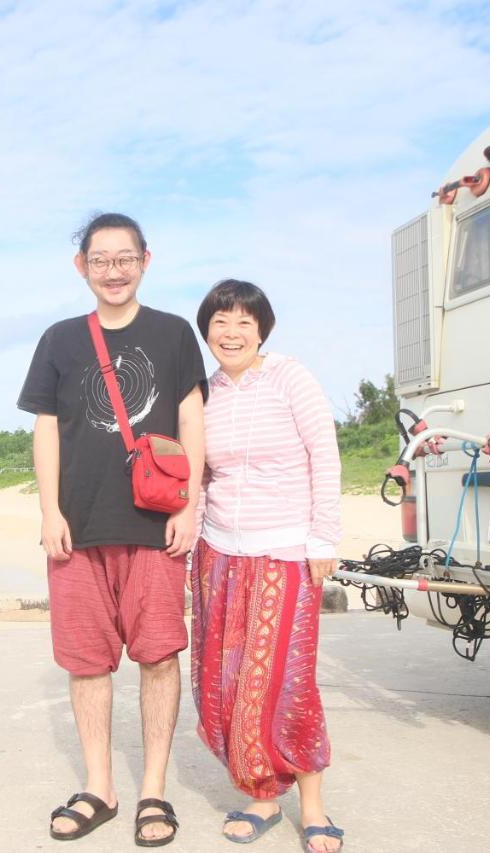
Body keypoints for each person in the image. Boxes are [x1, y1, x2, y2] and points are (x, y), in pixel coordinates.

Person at [17, 212, 206, 847]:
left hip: (156, 524)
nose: (114, 270)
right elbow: (45, 427)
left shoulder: (174, 333)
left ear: (145, 261)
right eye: (101, 260)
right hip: (79, 524)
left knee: (158, 655)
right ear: (82, 268)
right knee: (86, 663)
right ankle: (100, 785)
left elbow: (191, 421)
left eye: (125, 258)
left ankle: (153, 788)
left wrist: (189, 505)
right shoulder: (60, 339)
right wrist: (50, 511)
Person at [190, 279, 344, 853]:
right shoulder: (202, 394)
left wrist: (323, 537)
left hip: (285, 553)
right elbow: (201, 475)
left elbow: (324, 455)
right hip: (219, 552)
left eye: (243, 323)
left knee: (288, 681)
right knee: (229, 680)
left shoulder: (290, 378)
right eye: (220, 322)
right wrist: (191, 541)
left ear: (262, 330)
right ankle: (261, 795)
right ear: (206, 330)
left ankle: (314, 806)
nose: (231, 333)